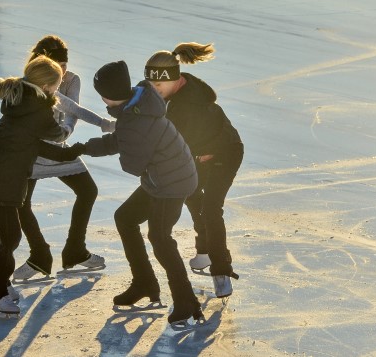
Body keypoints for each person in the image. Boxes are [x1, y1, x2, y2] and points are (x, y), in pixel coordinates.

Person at [53, 60, 203, 326]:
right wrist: (83, 148)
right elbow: (121, 139)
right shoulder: (136, 105)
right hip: (163, 177)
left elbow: (132, 164)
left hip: (172, 183)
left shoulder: (134, 119)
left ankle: (185, 299)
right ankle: (144, 283)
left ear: (108, 95)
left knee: (160, 237)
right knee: (125, 217)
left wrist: (114, 145)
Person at [0, 55, 70, 316]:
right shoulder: (40, 109)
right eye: (57, 86)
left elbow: (30, 141)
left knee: (1, 238)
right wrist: (66, 124)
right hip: (2, 180)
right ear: (47, 87)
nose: (57, 91)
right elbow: (56, 134)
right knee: (8, 238)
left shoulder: (18, 99)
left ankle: (0, 286)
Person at [144, 42, 243, 298]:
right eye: (151, 85)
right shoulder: (179, 88)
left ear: (175, 79)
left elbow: (175, 144)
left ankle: (221, 271)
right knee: (190, 194)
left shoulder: (186, 107)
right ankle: (204, 250)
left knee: (210, 207)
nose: (155, 91)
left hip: (225, 151)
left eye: (158, 86)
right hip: (200, 152)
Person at [13, 35, 114, 282]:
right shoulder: (34, 82)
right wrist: (103, 124)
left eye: (66, 66)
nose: (64, 72)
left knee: (88, 191)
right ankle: (39, 256)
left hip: (57, 144)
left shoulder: (71, 80)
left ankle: (75, 251)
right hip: (33, 149)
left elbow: (71, 112)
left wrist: (65, 133)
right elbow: (67, 105)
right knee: (20, 203)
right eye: (59, 68)